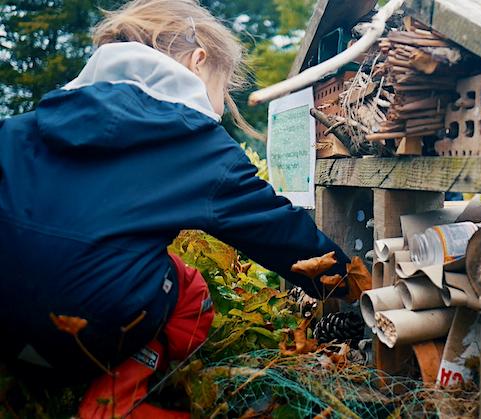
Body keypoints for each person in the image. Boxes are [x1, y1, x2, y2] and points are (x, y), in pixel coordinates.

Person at [0, 0, 352, 415]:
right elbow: (277, 232)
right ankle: (116, 402)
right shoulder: (194, 143)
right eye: (223, 91)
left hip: (8, 335)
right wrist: (349, 282)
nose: (219, 109)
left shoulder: (24, 125)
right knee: (187, 288)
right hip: (91, 333)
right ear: (198, 61)